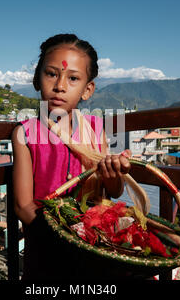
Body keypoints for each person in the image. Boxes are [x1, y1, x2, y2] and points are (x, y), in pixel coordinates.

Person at [11, 33, 132, 280]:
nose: (60, 86)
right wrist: (67, 237)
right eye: (51, 74)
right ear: (37, 79)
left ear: (87, 90)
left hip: (94, 249)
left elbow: (114, 192)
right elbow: (23, 206)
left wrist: (113, 172)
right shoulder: (25, 134)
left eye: (73, 78)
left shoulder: (96, 129)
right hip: (47, 253)